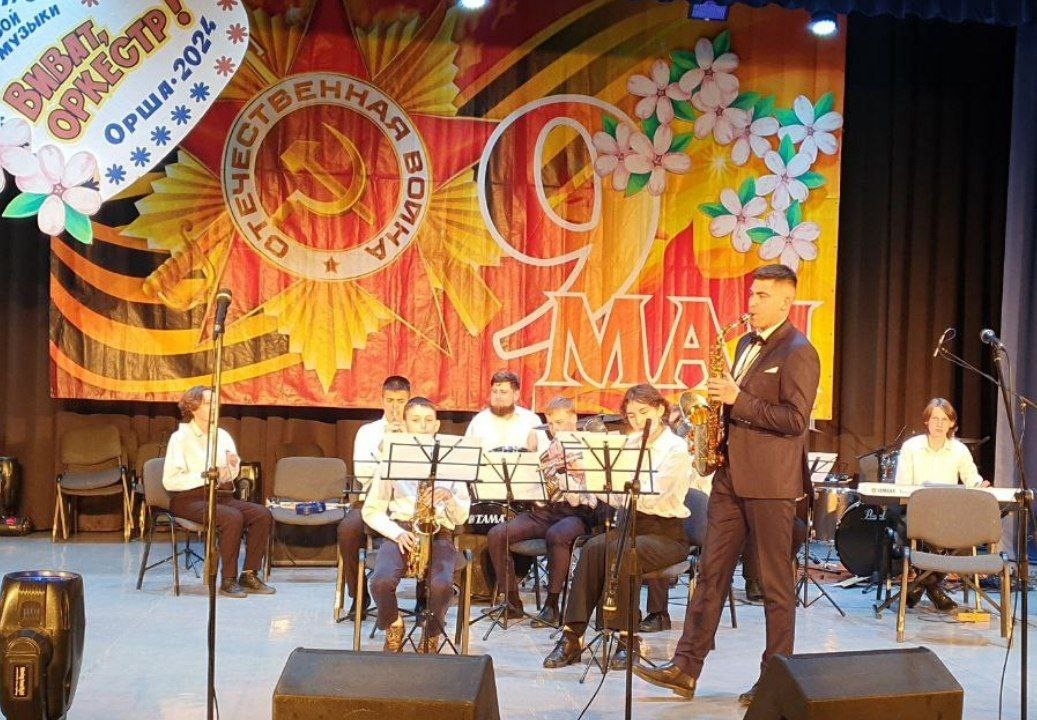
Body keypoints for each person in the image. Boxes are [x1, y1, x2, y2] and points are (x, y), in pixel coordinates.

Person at [634, 263, 820, 704]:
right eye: (751, 294)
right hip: (730, 477)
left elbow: (795, 420)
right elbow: (733, 408)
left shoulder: (799, 350)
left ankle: (774, 681)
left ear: (786, 301)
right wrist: (711, 424)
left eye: (761, 295)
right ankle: (685, 667)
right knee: (711, 574)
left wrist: (740, 399)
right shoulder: (743, 344)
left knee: (775, 585)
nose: (751, 302)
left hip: (771, 484)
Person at [543, 384, 694, 670]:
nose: (638, 421)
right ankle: (572, 635)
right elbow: (617, 499)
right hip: (630, 526)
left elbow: (654, 497)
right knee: (593, 548)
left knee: (623, 552)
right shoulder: (630, 443)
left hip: (665, 533)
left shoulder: (675, 449)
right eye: (632, 415)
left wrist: (623, 488)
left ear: (660, 409)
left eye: (644, 412)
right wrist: (589, 478)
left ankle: (628, 638)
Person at [363, 397, 471, 653]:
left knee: (442, 585)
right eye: (415, 420)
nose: (423, 426)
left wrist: (449, 497)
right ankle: (393, 623)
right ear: (405, 424)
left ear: (437, 425)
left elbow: (461, 516)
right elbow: (370, 510)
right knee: (380, 582)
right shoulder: (390, 460)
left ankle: (432, 632)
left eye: (428, 420)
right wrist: (396, 532)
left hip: (439, 532)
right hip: (402, 530)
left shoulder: (452, 460)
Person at [485, 396, 594, 626]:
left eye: (560, 422)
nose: (555, 429)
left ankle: (551, 605)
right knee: (497, 534)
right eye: (551, 424)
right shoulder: (549, 450)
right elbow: (534, 489)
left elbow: (586, 498)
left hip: (577, 513)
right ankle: (512, 603)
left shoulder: (589, 448)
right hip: (547, 511)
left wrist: (567, 473)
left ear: (574, 418)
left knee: (557, 535)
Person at [164, 385, 275, 598]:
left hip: (221, 496)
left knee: (262, 514)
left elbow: (230, 475)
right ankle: (228, 579)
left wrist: (231, 468)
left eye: (216, 403)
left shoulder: (222, 435)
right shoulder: (180, 438)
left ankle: (249, 574)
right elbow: (170, 480)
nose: (214, 407)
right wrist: (206, 476)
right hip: (188, 499)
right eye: (208, 403)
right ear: (193, 408)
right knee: (231, 517)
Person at [894, 397, 988, 612]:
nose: (939, 424)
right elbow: (902, 485)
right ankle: (933, 588)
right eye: (934, 418)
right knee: (909, 527)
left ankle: (920, 586)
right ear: (926, 421)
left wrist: (979, 485)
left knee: (965, 532)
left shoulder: (959, 450)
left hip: (948, 515)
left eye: (944, 419)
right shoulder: (911, 447)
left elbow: (972, 479)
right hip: (917, 511)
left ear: (951, 423)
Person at [336, 375, 410, 618]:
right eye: (390, 400)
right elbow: (363, 473)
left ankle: (425, 599)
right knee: (348, 529)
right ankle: (358, 595)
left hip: (407, 501)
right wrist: (386, 449)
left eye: (401, 401)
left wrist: (405, 441)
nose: (395, 407)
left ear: (409, 400)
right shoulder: (367, 432)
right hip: (373, 499)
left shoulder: (416, 428)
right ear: (382, 400)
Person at [465, 370, 545, 451]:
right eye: (494, 392)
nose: (497, 397)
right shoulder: (479, 421)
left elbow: (545, 454)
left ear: (516, 395)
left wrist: (534, 451)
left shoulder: (531, 420)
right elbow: (465, 454)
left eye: (503, 392)